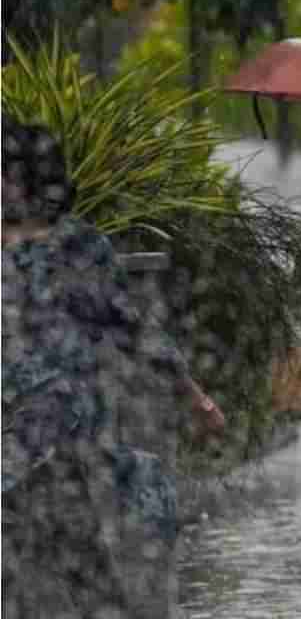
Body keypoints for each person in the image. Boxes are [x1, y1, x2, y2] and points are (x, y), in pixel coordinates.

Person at [2, 119, 225, 617]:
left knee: (77, 563)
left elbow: (135, 328)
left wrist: (194, 397)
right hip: (19, 439)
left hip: (65, 434)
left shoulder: (76, 247)